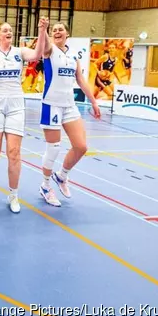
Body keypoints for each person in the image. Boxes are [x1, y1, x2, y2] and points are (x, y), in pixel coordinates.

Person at [0, 18, 48, 213]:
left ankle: (14, 195)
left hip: (16, 104)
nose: (9, 32)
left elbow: (37, 54)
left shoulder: (19, 52)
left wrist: (42, 30)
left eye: (11, 30)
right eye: (5, 30)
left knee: (14, 153)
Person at [38, 22, 101, 206]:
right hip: (51, 105)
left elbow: (81, 80)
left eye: (60, 29)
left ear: (67, 34)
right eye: (54, 30)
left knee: (81, 147)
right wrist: (43, 30)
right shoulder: (48, 50)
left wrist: (94, 102)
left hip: (69, 105)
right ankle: (45, 186)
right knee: (54, 148)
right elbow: (43, 44)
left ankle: (61, 176)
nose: (57, 32)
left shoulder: (73, 56)